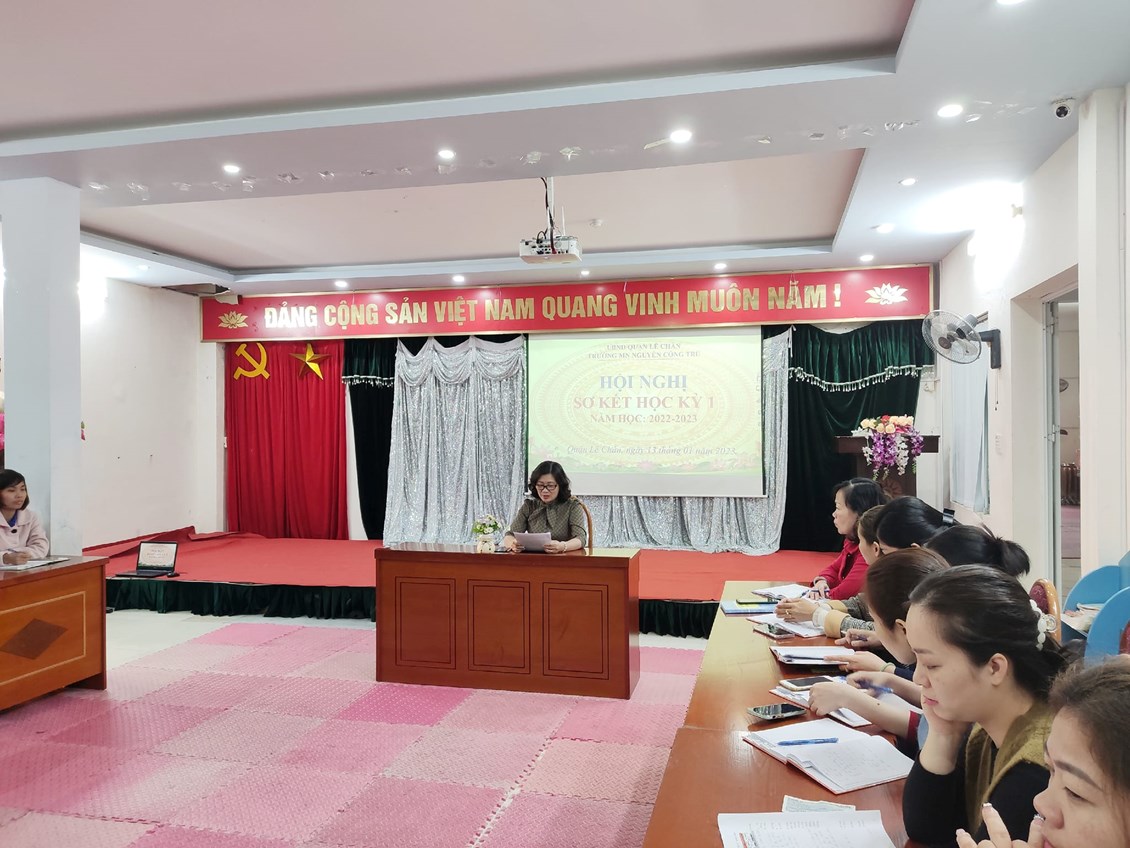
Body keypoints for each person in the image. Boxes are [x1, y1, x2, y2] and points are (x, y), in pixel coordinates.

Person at [901, 565, 1068, 846]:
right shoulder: (985, 725)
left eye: (931, 664)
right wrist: (944, 734)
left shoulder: (1035, 772)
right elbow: (926, 829)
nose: (918, 678)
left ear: (995, 667)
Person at [956, 656, 1130, 848]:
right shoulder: (982, 739)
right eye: (1051, 769)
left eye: (1075, 793)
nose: (1040, 803)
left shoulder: (1025, 770)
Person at [808, 548, 947, 749]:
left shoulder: (951, 671)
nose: (918, 679)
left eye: (875, 621)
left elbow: (938, 732)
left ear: (903, 628)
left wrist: (850, 698)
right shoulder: (946, 653)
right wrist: (892, 680)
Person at [803, 477, 888, 601]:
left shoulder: (870, 548)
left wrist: (815, 598)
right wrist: (822, 582)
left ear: (860, 512)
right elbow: (834, 568)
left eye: (838, 508)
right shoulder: (852, 541)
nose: (834, 514)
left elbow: (844, 594)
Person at [502, 461, 587, 554]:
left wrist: (562, 546)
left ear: (560, 485)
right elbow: (510, 535)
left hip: (564, 557)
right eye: (540, 485)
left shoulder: (572, 506)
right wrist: (513, 544)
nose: (544, 491)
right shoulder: (529, 506)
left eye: (550, 486)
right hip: (534, 558)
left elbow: (580, 538)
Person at [0, 469, 49, 565]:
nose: (19, 495)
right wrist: (4, 558)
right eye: (11, 490)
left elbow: (41, 547)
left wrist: (18, 555)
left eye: (22, 489)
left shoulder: (31, 516)